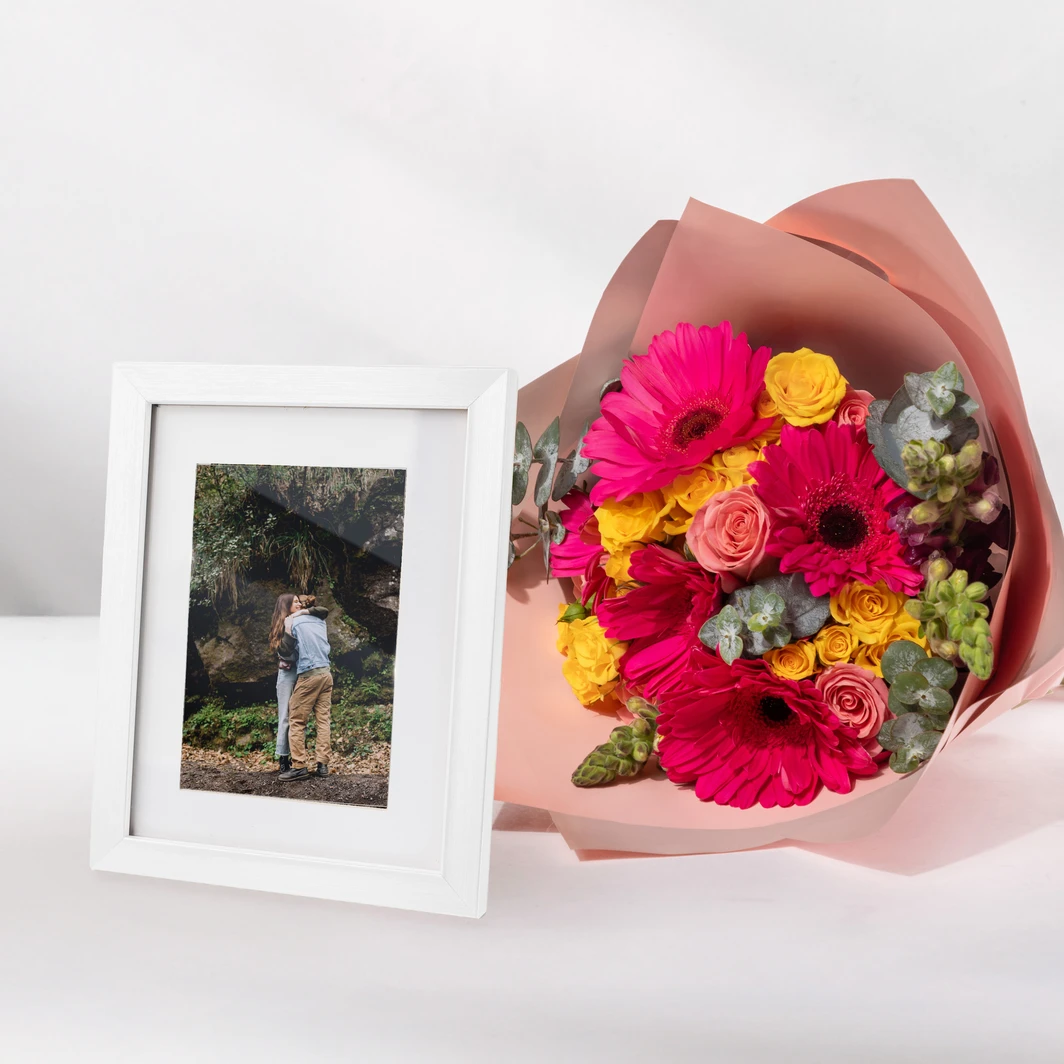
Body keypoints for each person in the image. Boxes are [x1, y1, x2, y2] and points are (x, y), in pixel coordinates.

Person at [278, 593, 334, 782]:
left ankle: (299, 766)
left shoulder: (294, 622)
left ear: (300, 606)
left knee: (296, 720)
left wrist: (287, 628)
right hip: (326, 673)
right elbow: (323, 611)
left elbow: (285, 653)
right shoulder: (319, 621)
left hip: (309, 675)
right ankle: (323, 765)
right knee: (323, 720)